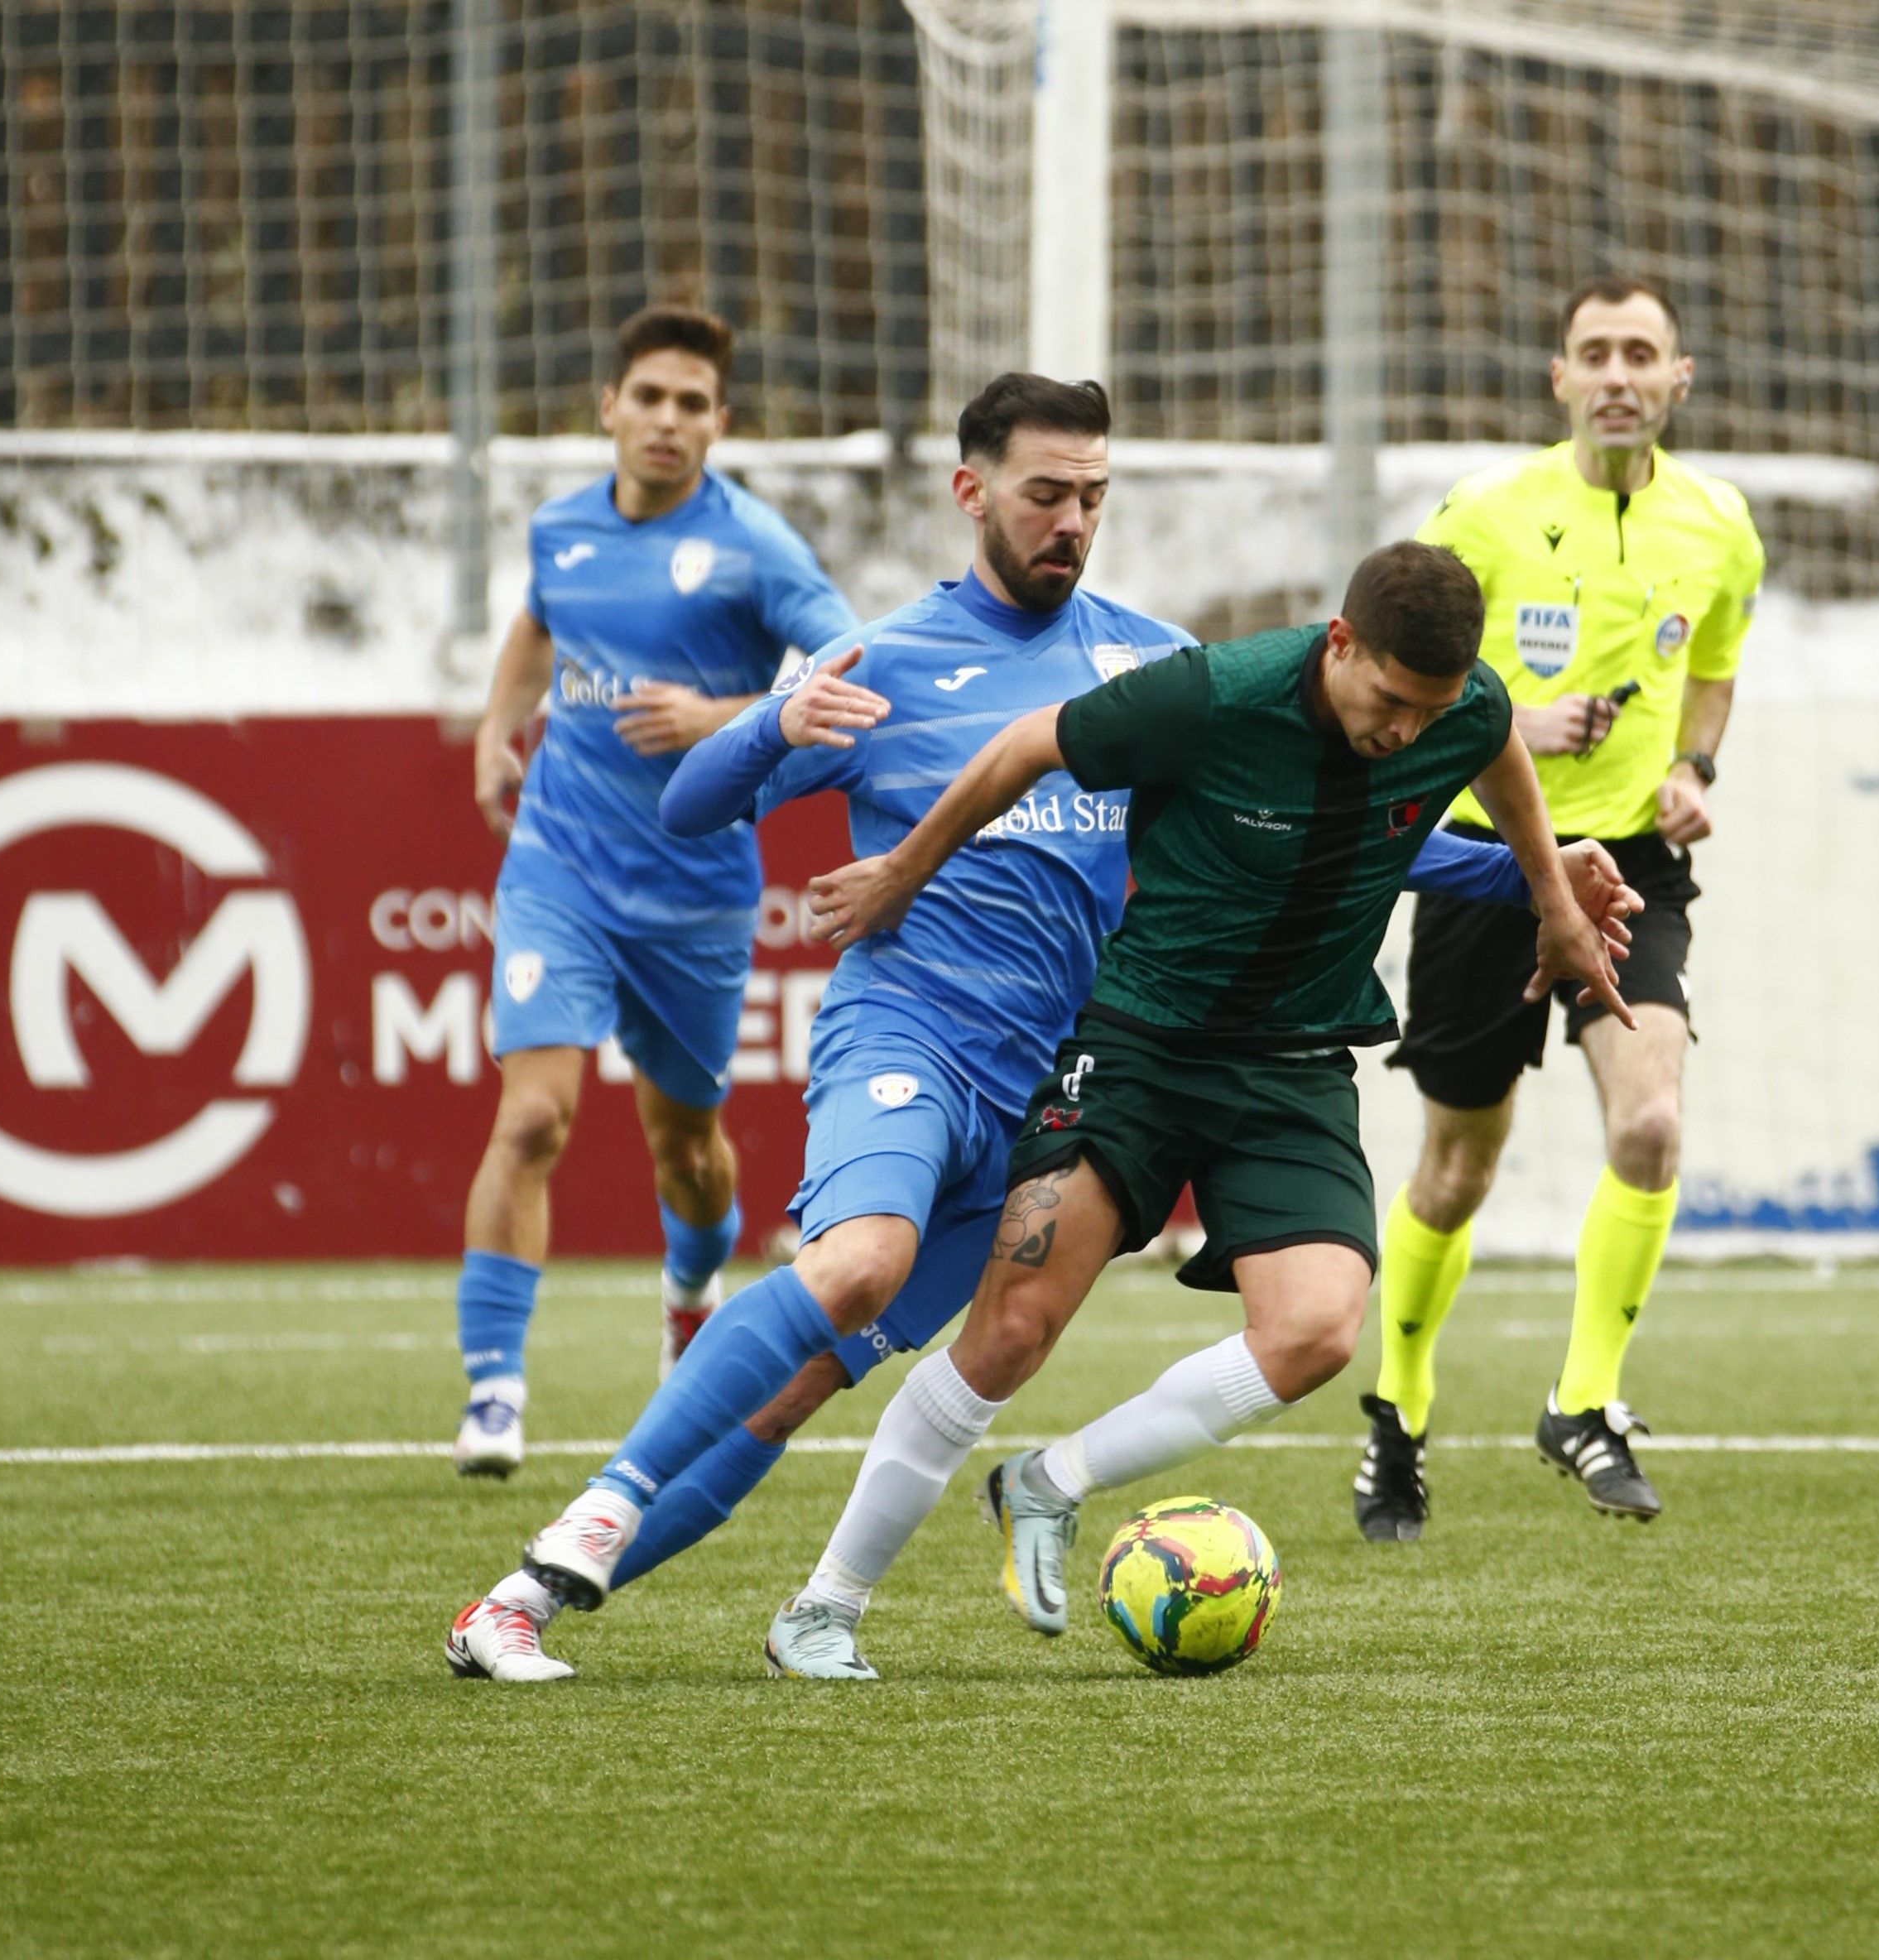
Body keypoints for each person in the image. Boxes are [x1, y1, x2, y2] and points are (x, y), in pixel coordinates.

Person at [445, 379, 1628, 1683]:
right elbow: (688, 807)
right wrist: (771, 721)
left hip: (1049, 1093)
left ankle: (535, 1603)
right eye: (1045, 494)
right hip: (910, 1035)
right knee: (852, 1267)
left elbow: (1326, 848)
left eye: (1094, 498)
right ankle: (576, 1538)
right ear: (974, 493)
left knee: (793, 1392)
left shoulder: (1161, 666)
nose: (1072, 521)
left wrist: (1534, 881)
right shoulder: (887, 659)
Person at [714, 540, 1632, 1679]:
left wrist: (1552, 897)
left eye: (1428, 709)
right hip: (1138, 1048)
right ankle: (824, 1608)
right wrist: (905, 869)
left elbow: (1496, 753)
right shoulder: (1213, 695)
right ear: (1340, 643)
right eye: (1390, 701)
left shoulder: (1463, 704)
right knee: (1009, 1331)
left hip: (1293, 1069)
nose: (1406, 731)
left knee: (1314, 1333)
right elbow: (1019, 746)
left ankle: (1048, 1483)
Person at [1360, 276, 1766, 1537]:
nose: (1618, 375)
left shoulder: (1721, 526)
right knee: (1458, 1167)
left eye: (1641, 353)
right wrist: (1504, 721)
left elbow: (1713, 672)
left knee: (1650, 1124)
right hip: (1489, 861)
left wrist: (1697, 769)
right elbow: (1381, 667)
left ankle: (1584, 1403)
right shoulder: (1486, 513)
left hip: (1633, 863)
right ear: (1560, 377)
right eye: (1595, 352)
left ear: (1679, 379)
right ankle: (1399, 1412)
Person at [448, 305, 857, 1477]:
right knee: (533, 1115)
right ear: (609, 409)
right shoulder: (562, 528)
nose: (669, 421)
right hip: (560, 866)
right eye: (651, 398)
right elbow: (538, 618)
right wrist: (493, 728)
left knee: (687, 1149)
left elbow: (847, 662)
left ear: (720, 424)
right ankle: (492, 1394)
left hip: (694, 889)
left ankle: (689, 1288)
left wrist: (723, 718)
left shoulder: (757, 548)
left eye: (694, 404)